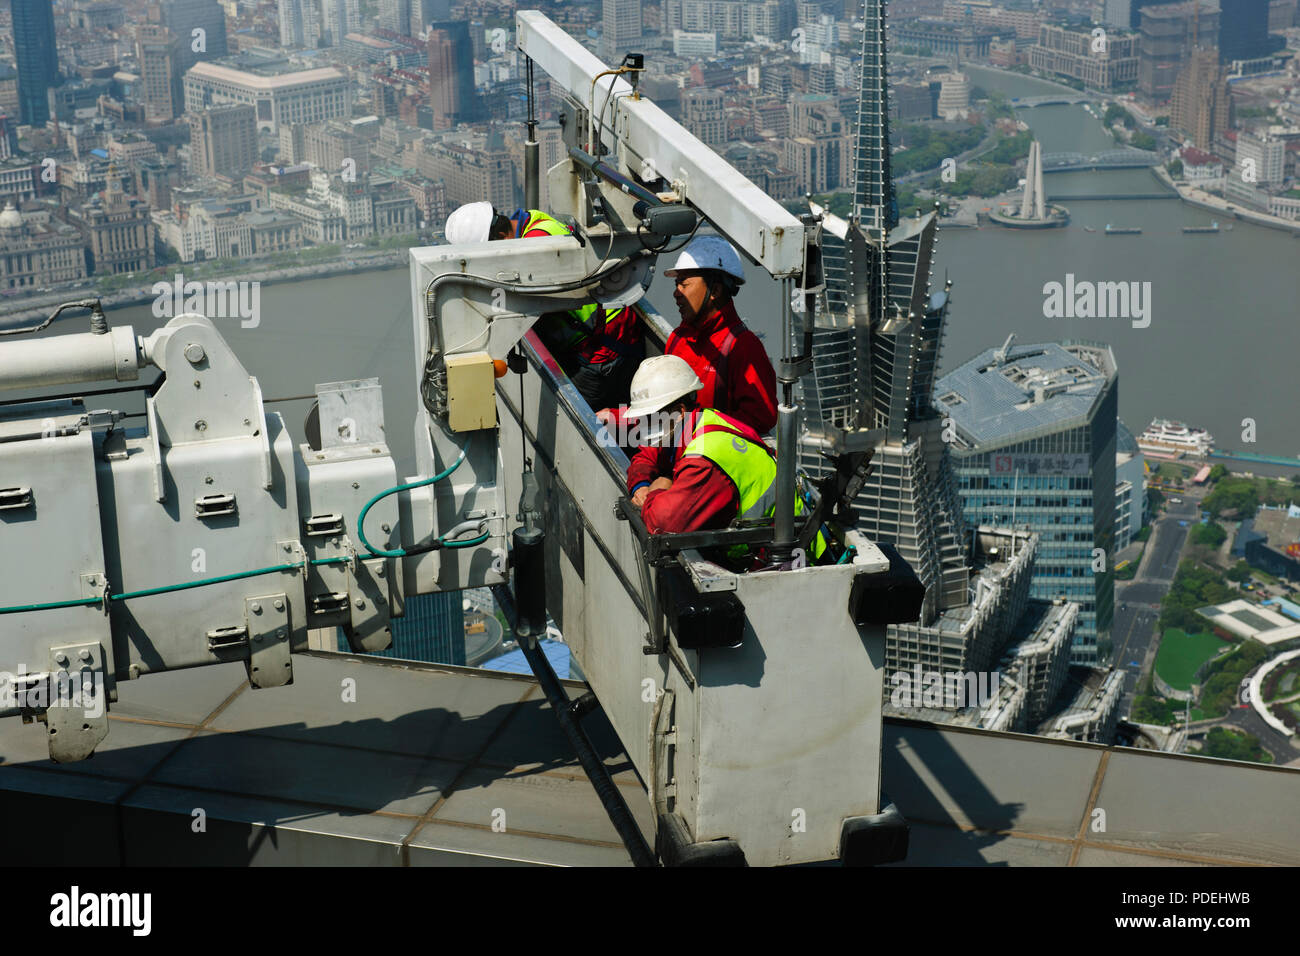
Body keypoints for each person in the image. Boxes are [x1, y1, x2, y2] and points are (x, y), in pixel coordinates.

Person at [624, 356, 828, 565]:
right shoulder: (704, 421)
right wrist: (641, 484)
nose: (644, 427)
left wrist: (657, 490)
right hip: (775, 552)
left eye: (650, 418)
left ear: (678, 412)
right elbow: (648, 454)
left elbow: (664, 524)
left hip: (797, 564)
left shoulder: (705, 459)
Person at [443, 201, 643, 413]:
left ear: (500, 237)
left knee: (574, 419)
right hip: (602, 335)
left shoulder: (534, 248)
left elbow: (519, 305)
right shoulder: (531, 224)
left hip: (604, 346)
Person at [661, 235, 777, 436]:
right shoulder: (678, 338)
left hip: (710, 463)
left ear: (714, 290)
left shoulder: (743, 347)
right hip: (676, 457)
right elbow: (660, 410)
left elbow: (761, 418)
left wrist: (697, 425)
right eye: (676, 284)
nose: (676, 293)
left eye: (684, 284)